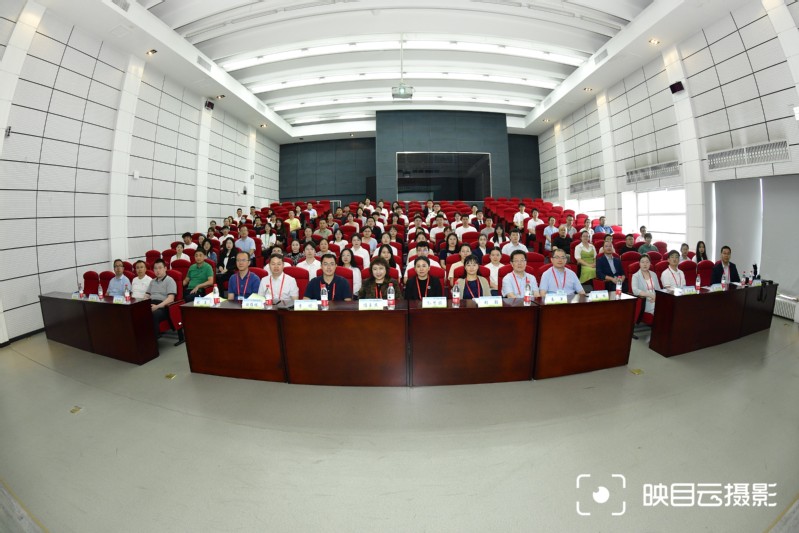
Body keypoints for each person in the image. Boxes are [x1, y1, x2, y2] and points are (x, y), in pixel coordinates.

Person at [146, 259, 182, 343]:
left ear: (165, 268)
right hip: (152, 303)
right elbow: (147, 295)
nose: (157, 270)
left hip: (164, 307)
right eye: (155, 268)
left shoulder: (170, 280)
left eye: (160, 268)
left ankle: (153, 343)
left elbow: (170, 299)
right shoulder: (152, 281)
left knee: (154, 314)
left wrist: (157, 307)